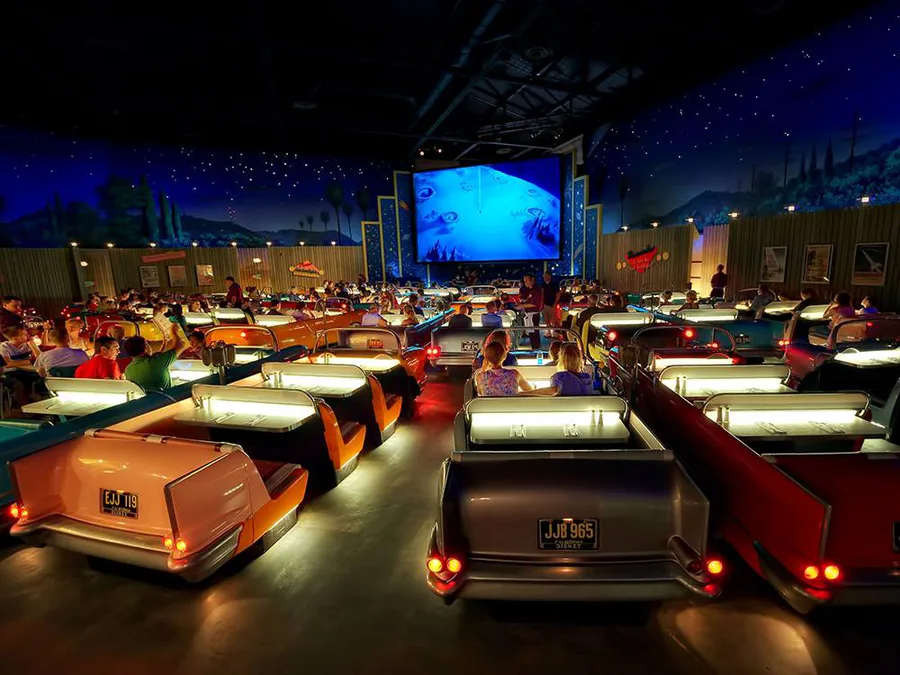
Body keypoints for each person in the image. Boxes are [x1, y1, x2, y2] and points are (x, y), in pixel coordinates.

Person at [123, 323, 189, 390]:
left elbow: (158, 357)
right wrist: (173, 331)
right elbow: (180, 346)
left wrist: (164, 343)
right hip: (164, 395)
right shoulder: (157, 362)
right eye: (148, 344)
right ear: (146, 348)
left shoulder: (128, 369)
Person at [527, 343, 593, 396]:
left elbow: (554, 391)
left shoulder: (560, 377)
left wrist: (526, 393)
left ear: (562, 359)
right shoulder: (587, 378)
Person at [517, 274, 544, 349]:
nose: (525, 283)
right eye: (524, 281)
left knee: (534, 333)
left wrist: (522, 306)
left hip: (533, 314)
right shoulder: (530, 289)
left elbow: (535, 304)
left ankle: (536, 349)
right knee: (532, 333)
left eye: (527, 281)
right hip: (529, 314)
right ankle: (535, 348)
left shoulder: (536, 290)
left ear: (532, 280)